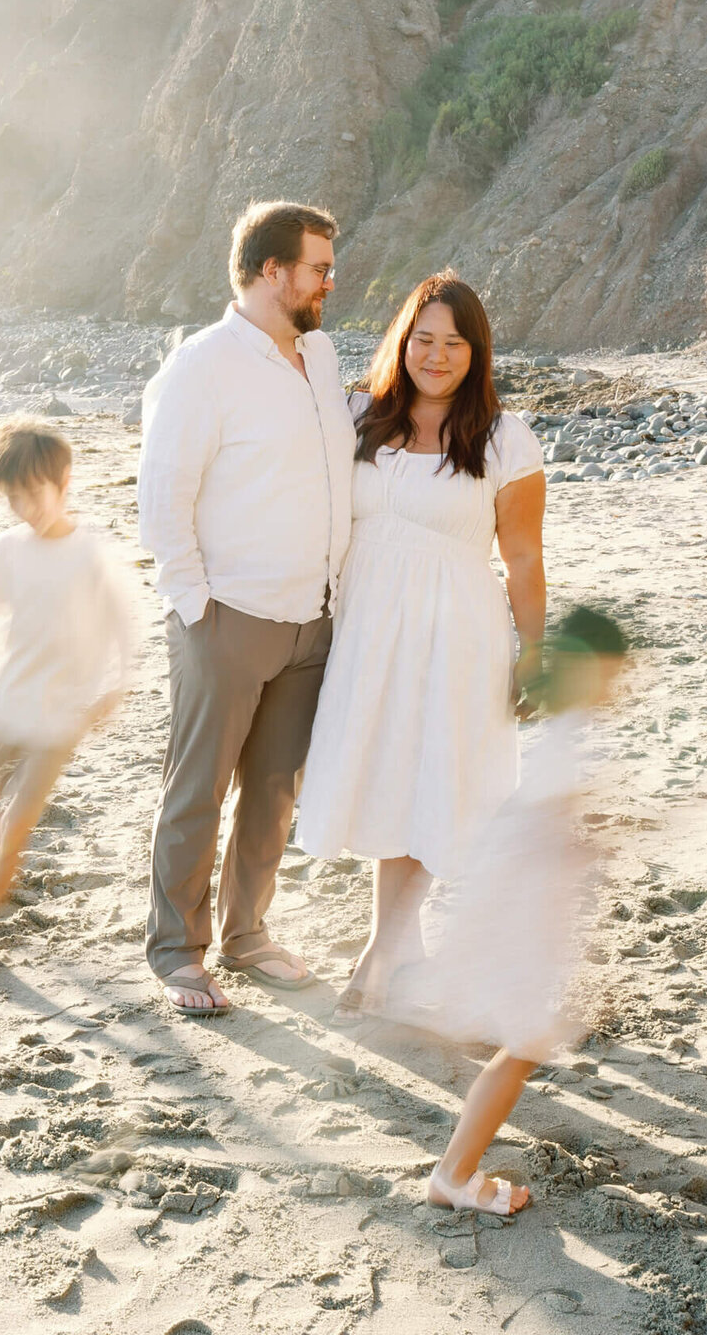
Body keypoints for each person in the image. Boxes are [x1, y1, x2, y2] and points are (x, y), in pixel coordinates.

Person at [295, 273, 546, 1020]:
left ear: (477, 352)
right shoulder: (357, 418)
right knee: (388, 777)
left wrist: (533, 653)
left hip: (457, 634)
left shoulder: (505, 438)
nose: (437, 357)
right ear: (403, 343)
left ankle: (380, 952)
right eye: (424, 340)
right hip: (370, 630)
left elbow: (524, 559)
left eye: (454, 343)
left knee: (433, 778)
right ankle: (403, 950)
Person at [137, 201, 356, 1017]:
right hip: (227, 617)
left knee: (273, 792)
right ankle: (176, 951)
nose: (331, 281)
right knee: (199, 789)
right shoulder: (202, 366)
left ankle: (247, 935)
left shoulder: (322, 357)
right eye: (319, 268)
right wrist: (198, 608)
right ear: (272, 272)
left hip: (314, 617)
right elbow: (163, 499)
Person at [398, 607, 629, 1216]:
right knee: (523, 1043)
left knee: (523, 1042)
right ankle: (452, 1174)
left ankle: (455, 1168)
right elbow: (545, 831)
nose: (616, 684)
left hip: (523, 911)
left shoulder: (561, 728)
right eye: (609, 671)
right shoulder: (565, 737)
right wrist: (603, 842)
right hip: (519, 916)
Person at [0, 416, 134, 980]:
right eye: (12, 497)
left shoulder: (90, 555)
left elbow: (122, 624)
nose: (24, 507)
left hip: (61, 716)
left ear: (64, 482)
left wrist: (117, 683)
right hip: (4, 701)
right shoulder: (8, 549)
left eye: (33, 493)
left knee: (16, 825)